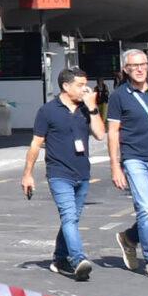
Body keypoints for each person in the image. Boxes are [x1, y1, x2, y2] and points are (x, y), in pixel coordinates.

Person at [23, 68, 99, 280]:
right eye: (80, 85)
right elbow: (36, 144)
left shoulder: (86, 109)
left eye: (86, 85)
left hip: (83, 173)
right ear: (66, 86)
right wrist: (27, 174)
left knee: (72, 219)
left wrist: (92, 109)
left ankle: (59, 258)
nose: (85, 89)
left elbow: (100, 134)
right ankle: (78, 259)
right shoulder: (47, 111)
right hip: (59, 173)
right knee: (69, 216)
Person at [105, 48, 148, 278]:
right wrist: (115, 166)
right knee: (145, 210)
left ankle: (129, 238)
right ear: (126, 70)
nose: (140, 69)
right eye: (133, 66)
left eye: (142, 64)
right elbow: (113, 132)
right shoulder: (119, 96)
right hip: (134, 159)